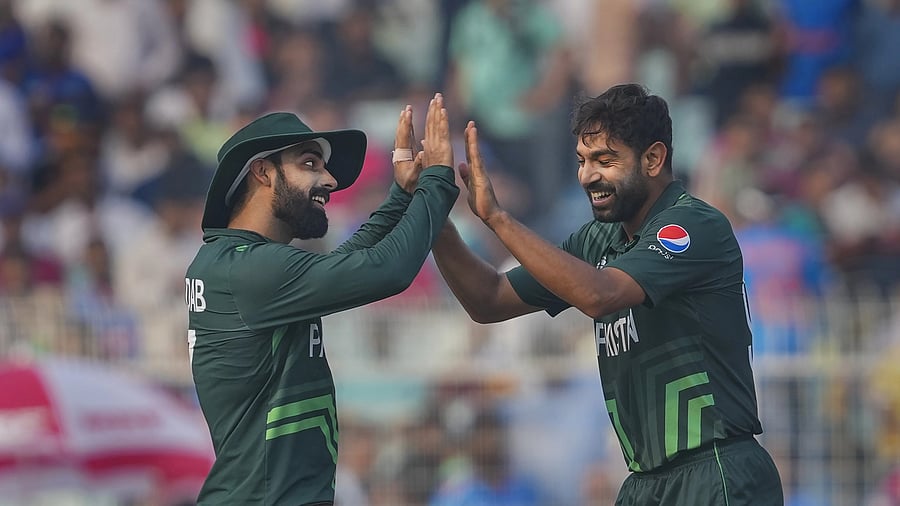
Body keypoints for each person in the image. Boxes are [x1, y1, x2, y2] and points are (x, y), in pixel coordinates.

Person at [433, 83, 784, 505]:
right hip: (643, 482)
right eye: (582, 161)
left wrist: (497, 218)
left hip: (715, 471)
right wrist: (434, 214)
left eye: (605, 160)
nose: (587, 175)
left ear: (653, 159)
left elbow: (600, 296)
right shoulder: (598, 239)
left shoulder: (694, 225)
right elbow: (488, 298)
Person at [184, 93, 459, 505]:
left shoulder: (237, 263)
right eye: (309, 164)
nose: (330, 181)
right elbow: (387, 270)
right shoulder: (250, 270)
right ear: (262, 172)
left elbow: (348, 264)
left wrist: (403, 194)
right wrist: (437, 179)